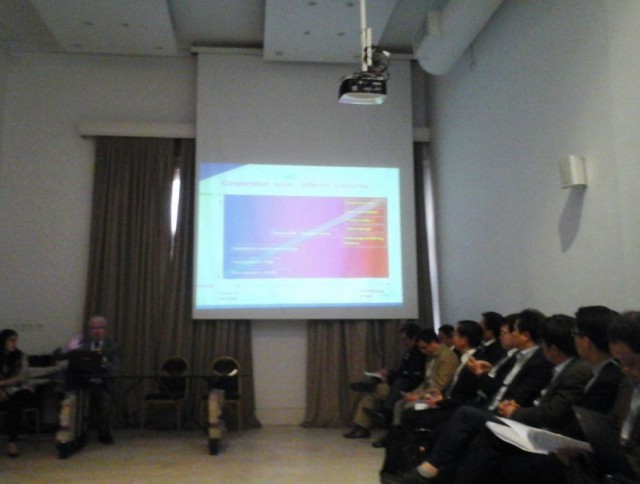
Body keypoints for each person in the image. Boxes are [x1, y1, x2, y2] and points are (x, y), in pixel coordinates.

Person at [345, 323, 426, 439]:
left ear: (414, 338)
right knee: (368, 397)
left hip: (407, 388)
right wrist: (389, 373)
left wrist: (390, 377)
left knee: (375, 390)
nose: (403, 342)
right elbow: (402, 372)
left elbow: (410, 376)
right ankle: (362, 427)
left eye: (405, 339)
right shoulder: (409, 353)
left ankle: (376, 400)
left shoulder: (421, 354)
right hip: (397, 385)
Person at [68, 315, 119, 445]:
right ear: (90, 330)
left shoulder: (113, 347)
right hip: (84, 384)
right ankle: (76, 435)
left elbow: (116, 370)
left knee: (106, 403)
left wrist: (103, 361)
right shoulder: (82, 346)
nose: (97, 331)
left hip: (103, 385)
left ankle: (104, 433)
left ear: (105, 329)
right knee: (73, 400)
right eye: (94, 328)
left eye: (100, 328)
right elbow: (73, 364)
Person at [0, 329, 35, 457]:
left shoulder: (21, 356)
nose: (14, 343)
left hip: (20, 389)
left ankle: (12, 442)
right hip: (3, 391)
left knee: (14, 403)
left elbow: (22, 377)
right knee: (11, 405)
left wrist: (3, 383)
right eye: (11, 340)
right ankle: (12, 438)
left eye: (16, 340)